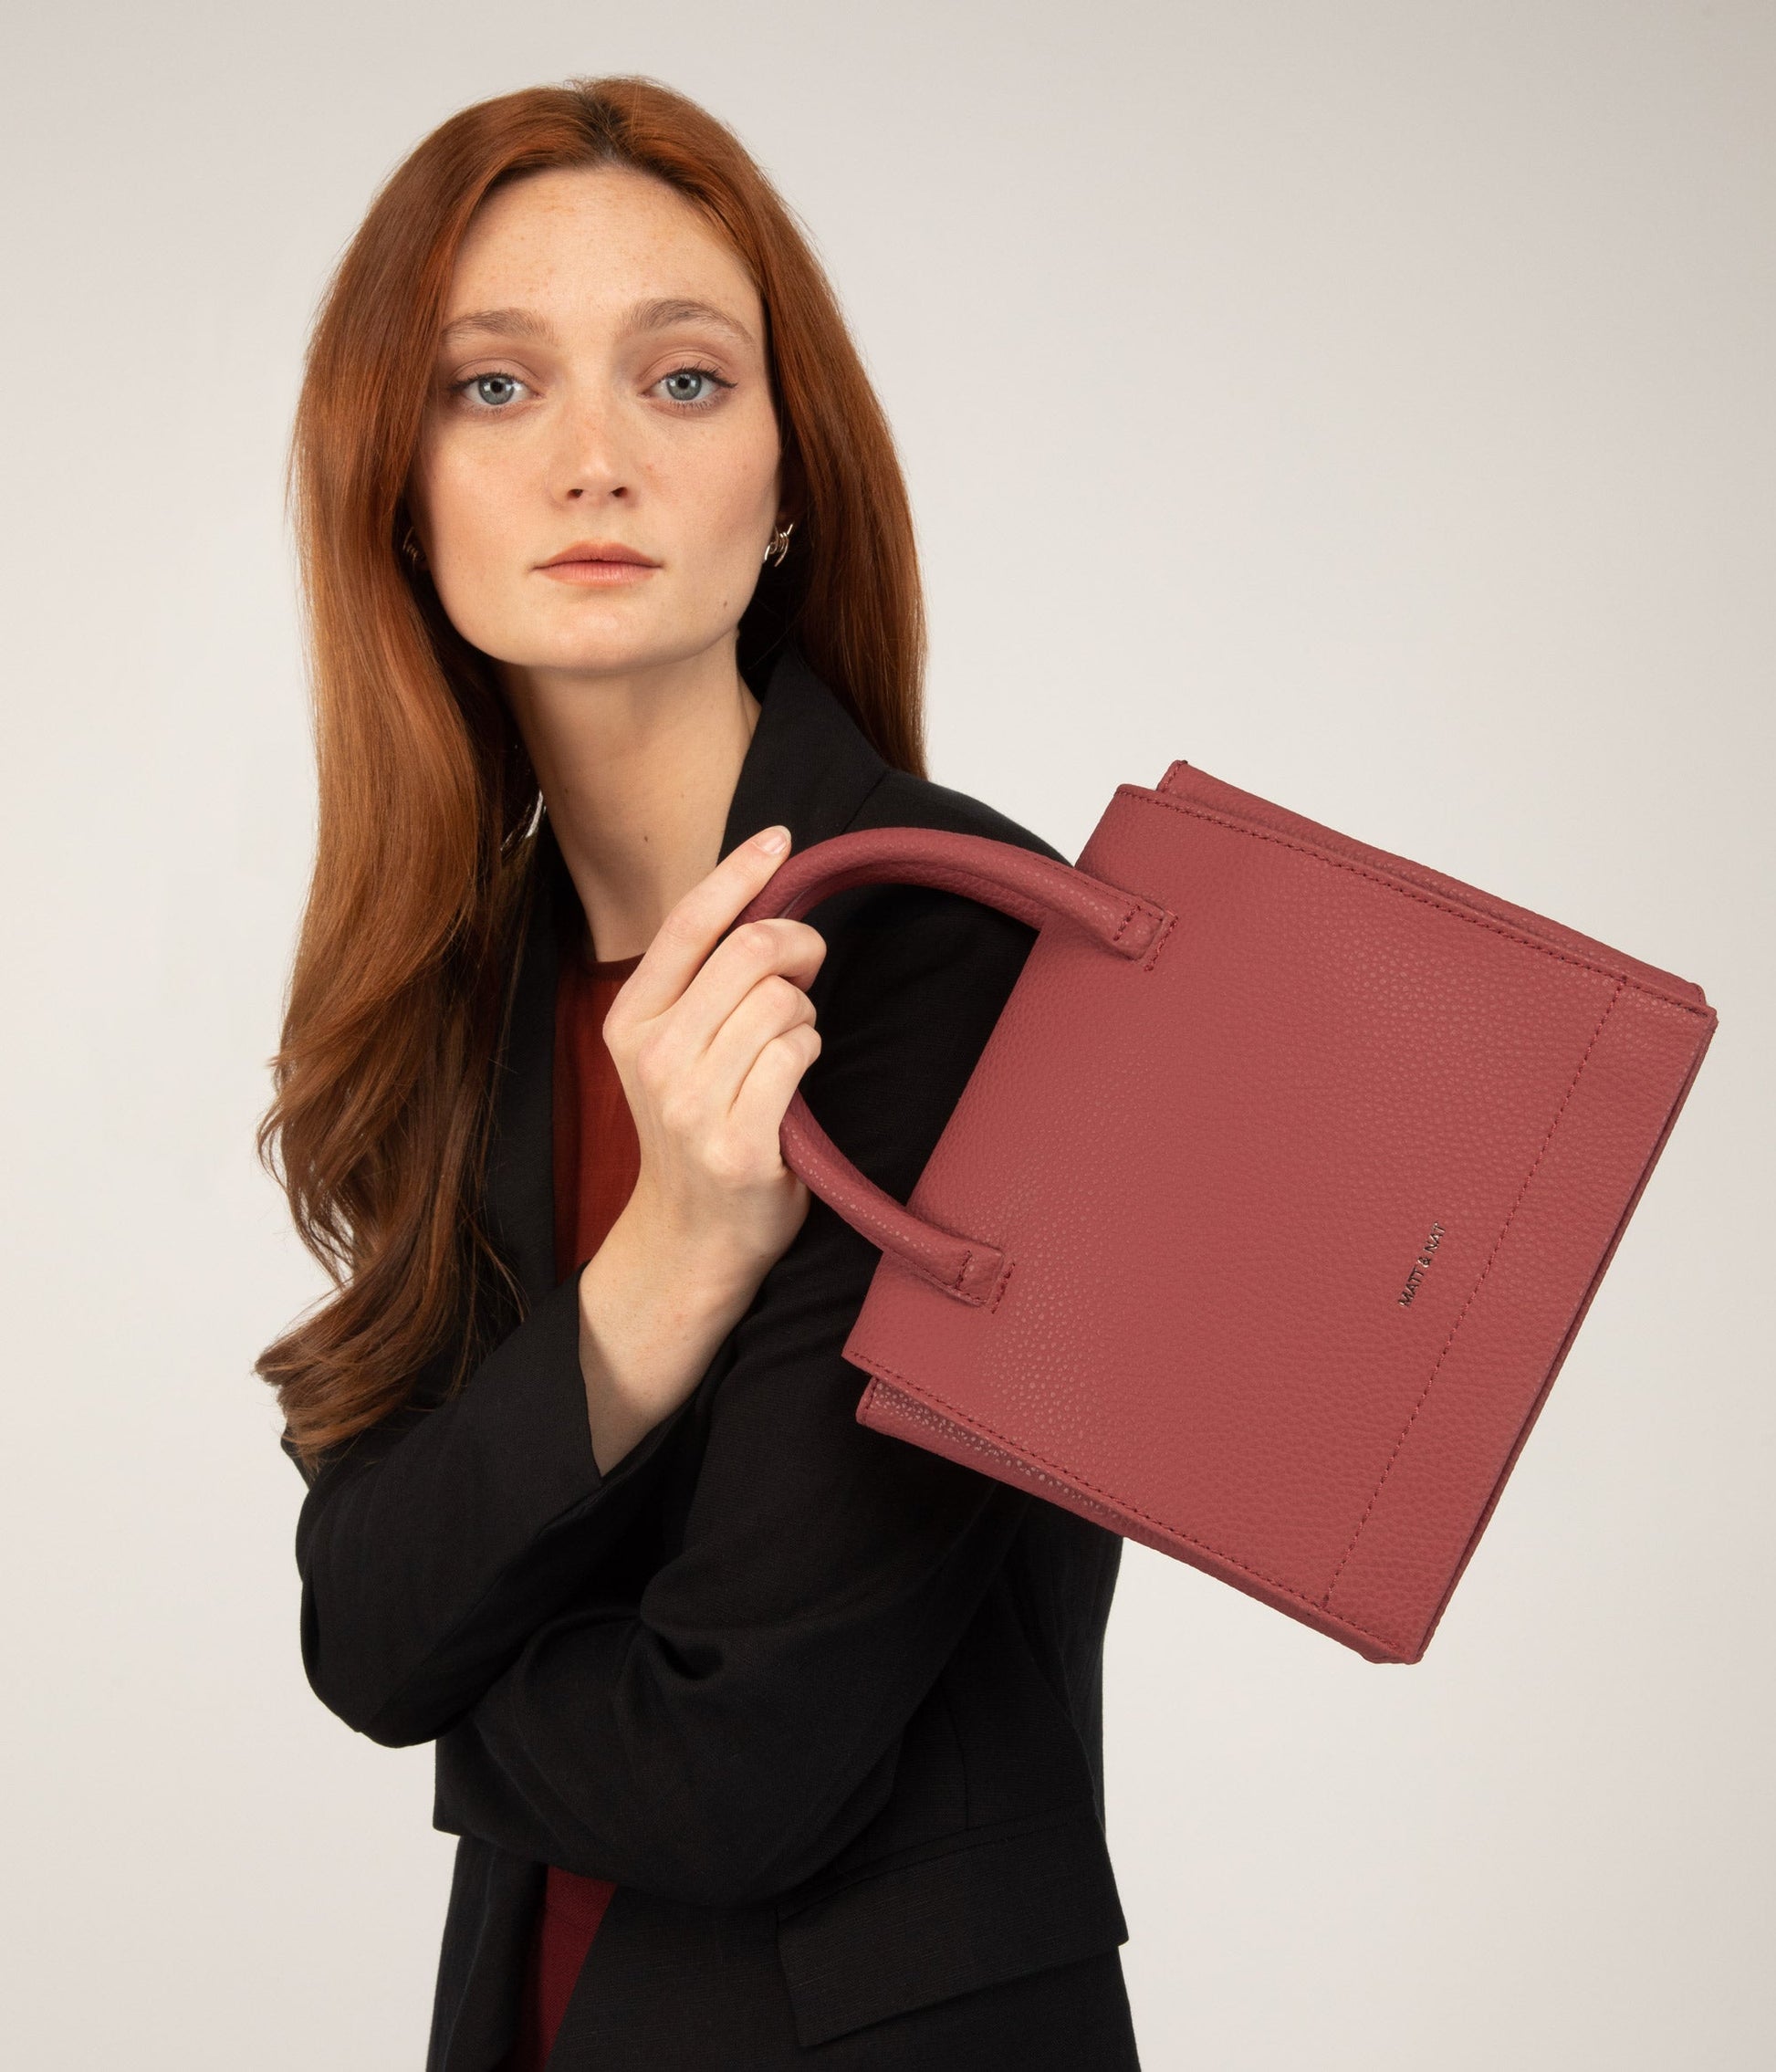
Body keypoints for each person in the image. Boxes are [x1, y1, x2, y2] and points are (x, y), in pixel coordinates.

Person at [258, 76, 1139, 2072]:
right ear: (395, 485)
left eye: (680, 380)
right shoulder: (451, 989)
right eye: (494, 387)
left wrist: (447, 1654)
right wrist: (671, 1260)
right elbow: (361, 1621)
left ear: (786, 472)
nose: (593, 461)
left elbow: (732, 1761)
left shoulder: (958, 951)